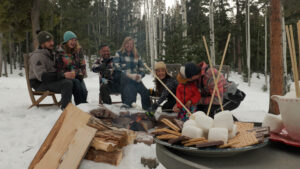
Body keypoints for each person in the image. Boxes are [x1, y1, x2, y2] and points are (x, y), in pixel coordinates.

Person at [28, 31, 74, 110]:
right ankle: (66, 109)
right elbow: (42, 76)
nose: (52, 43)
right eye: (49, 41)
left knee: (74, 81)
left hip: (48, 81)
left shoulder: (49, 53)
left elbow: (54, 70)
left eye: (52, 41)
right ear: (42, 43)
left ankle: (81, 105)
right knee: (66, 83)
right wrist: (62, 75)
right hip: (39, 84)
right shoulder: (37, 56)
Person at [113, 37, 151, 110]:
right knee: (130, 87)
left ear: (133, 45)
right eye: (127, 43)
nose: (129, 45)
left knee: (145, 92)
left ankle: (147, 110)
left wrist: (139, 76)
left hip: (136, 79)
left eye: (131, 44)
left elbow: (142, 69)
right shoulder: (119, 53)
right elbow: (117, 67)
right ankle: (128, 105)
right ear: (124, 44)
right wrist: (129, 75)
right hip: (124, 79)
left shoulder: (136, 55)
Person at [56, 31, 88, 105]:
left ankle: (83, 105)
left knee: (84, 91)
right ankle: (80, 105)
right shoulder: (60, 52)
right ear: (66, 41)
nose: (74, 42)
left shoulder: (79, 50)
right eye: (71, 40)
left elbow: (83, 65)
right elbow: (59, 68)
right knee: (77, 85)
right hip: (66, 76)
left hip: (77, 75)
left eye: (75, 40)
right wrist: (67, 74)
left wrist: (80, 73)